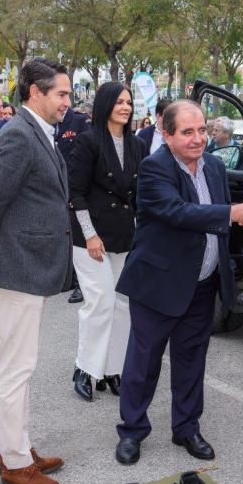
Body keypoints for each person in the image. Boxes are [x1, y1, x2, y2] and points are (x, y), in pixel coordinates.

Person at [113, 100, 243, 465]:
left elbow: (217, 217)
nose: (198, 139)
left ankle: (186, 428)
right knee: (144, 362)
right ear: (166, 134)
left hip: (202, 286)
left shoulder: (214, 165)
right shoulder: (154, 168)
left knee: (191, 361)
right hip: (159, 286)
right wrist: (234, 212)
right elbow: (177, 212)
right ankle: (132, 432)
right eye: (187, 132)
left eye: (202, 130)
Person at [0, 60, 73, 484]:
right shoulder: (17, 134)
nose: (68, 101)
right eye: (62, 94)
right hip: (17, 268)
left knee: (22, 366)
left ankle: (19, 446)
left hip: (29, 266)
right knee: (16, 369)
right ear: (34, 92)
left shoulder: (34, 131)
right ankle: (13, 462)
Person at [68, 81, 148, 401]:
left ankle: (113, 370)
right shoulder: (88, 142)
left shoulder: (137, 145)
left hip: (124, 236)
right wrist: (90, 235)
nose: (126, 108)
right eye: (119, 102)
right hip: (91, 238)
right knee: (99, 303)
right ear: (105, 106)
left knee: (122, 306)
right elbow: (75, 192)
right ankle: (85, 369)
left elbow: (139, 196)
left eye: (129, 102)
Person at [56, 98, 93, 305]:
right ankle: (67, 278)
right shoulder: (47, 123)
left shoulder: (79, 122)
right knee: (60, 234)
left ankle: (80, 284)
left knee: (77, 235)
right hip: (53, 187)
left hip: (74, 187)